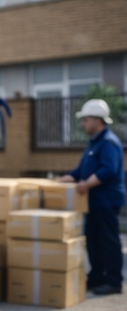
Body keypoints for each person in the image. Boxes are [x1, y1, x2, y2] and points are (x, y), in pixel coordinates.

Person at [56, 98, 125, 296]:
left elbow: (107, 170)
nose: (83, 124)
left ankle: (113, 281)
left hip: (107, 202)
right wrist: (62, 180)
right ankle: (96, 278)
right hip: (93, 203)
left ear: (97, 120)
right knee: (93, 241)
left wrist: (86, 184)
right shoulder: (93, 144)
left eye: (86, 120)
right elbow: (80, 172)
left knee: (108, 242)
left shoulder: (109, 142)